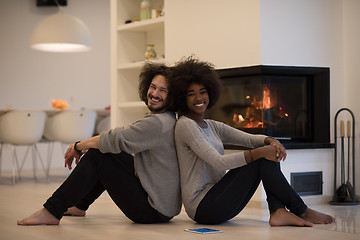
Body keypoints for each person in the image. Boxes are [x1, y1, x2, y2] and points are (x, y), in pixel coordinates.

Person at [170, 57, 335, 227]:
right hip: (203, 208)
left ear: (210, 92)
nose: (199, 97)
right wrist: (262, 152)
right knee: (261, 155)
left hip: (218, 199)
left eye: (202, 91)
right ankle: (301, 210)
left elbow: (247, 138)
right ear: (181, 98)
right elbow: (218, 162)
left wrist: (271, 141)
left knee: (264, 149)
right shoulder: (185, 125)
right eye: (191, 94)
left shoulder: (210, 125)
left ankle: (278, 211)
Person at [17, 62, 181, 225]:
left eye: (163, 90)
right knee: (108, 152)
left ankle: (52, 210)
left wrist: (77, 146)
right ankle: (79, 206)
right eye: (153, 87)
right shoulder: (167, 119)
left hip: (151, 210)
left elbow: (112, 139)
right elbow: (114, 140)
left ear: (172, 96)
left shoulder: (157, 123)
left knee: (98, 154)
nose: (154, 93)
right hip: (162, 207)